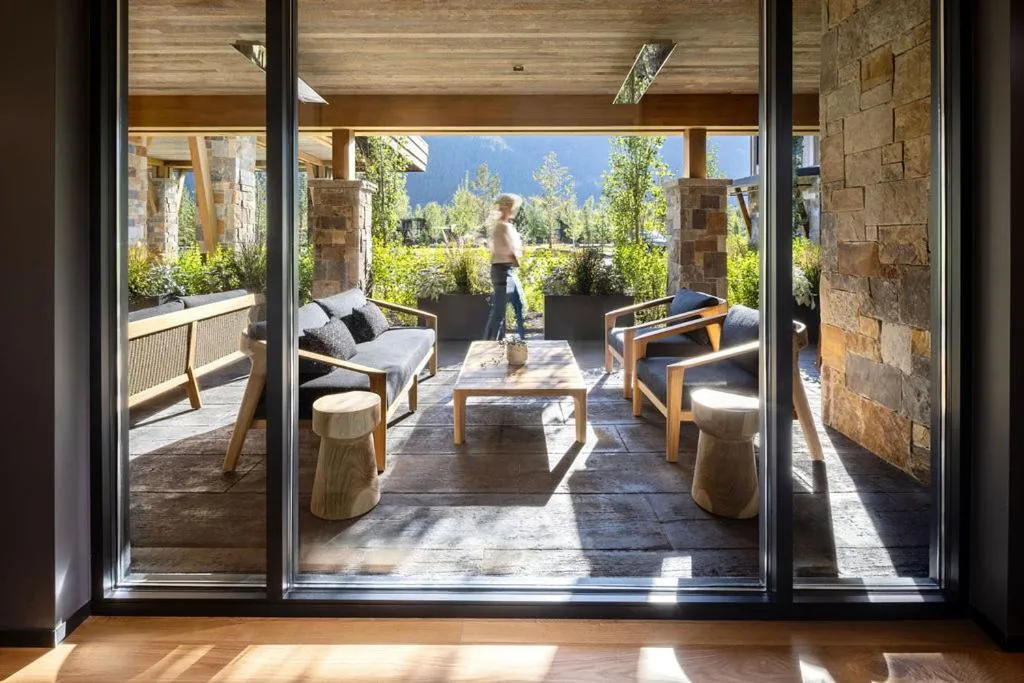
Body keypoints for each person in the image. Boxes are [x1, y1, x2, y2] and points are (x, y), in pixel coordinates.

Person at [483, 193, 527, 340]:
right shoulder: (502, 227)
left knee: (517, 306)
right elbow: (510, 252)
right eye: (513, 207)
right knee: (500, 313)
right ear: (507, 208)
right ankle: (488, 346)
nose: (515, 210)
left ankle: (522, 343)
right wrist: (518, 263)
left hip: (505, 271)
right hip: (504, 271)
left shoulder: (504, 226)